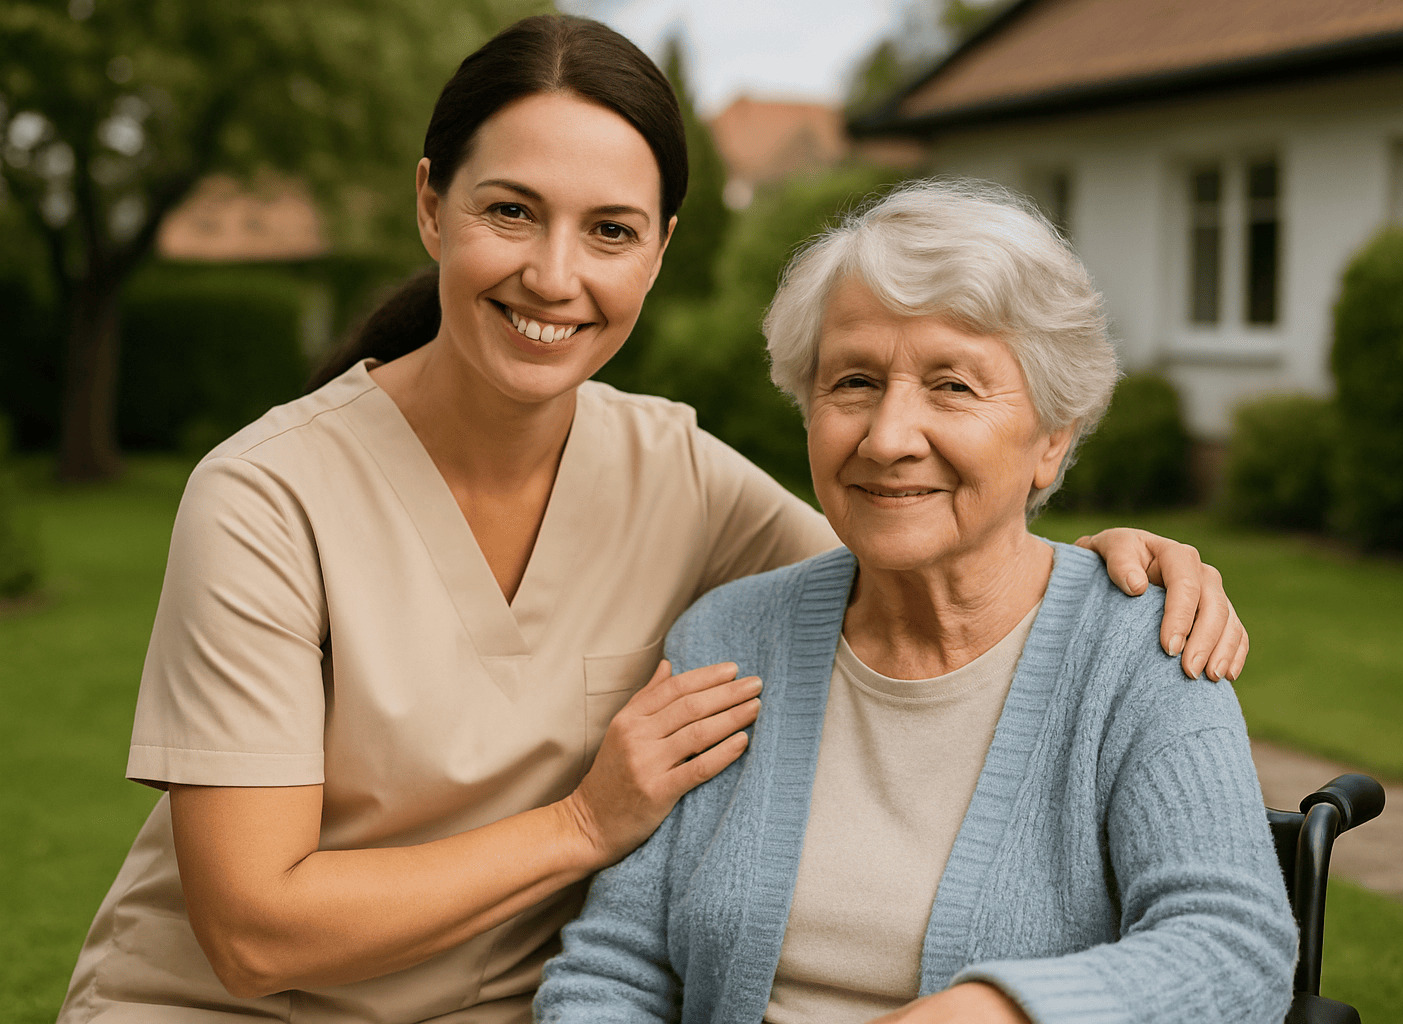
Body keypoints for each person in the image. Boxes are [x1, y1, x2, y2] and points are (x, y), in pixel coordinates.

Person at [57, 16, 1249, 1024]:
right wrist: (587, 820)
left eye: (611, 229)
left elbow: (911, 547)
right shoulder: (266, 498)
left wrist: (1100, 566)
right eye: (511, 211)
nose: (555, 276)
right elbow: (255, 934)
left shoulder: (676, 473)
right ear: (432, 207)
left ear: (662, 249)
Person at [535, 181, 1296, 1024]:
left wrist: (994, 1014)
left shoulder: (1140, 648)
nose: (889, 438)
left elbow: (1235, 946)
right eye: (854, 382)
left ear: (1052, 438)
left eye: (953, 387)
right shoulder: (728, 634)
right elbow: (613, 972)